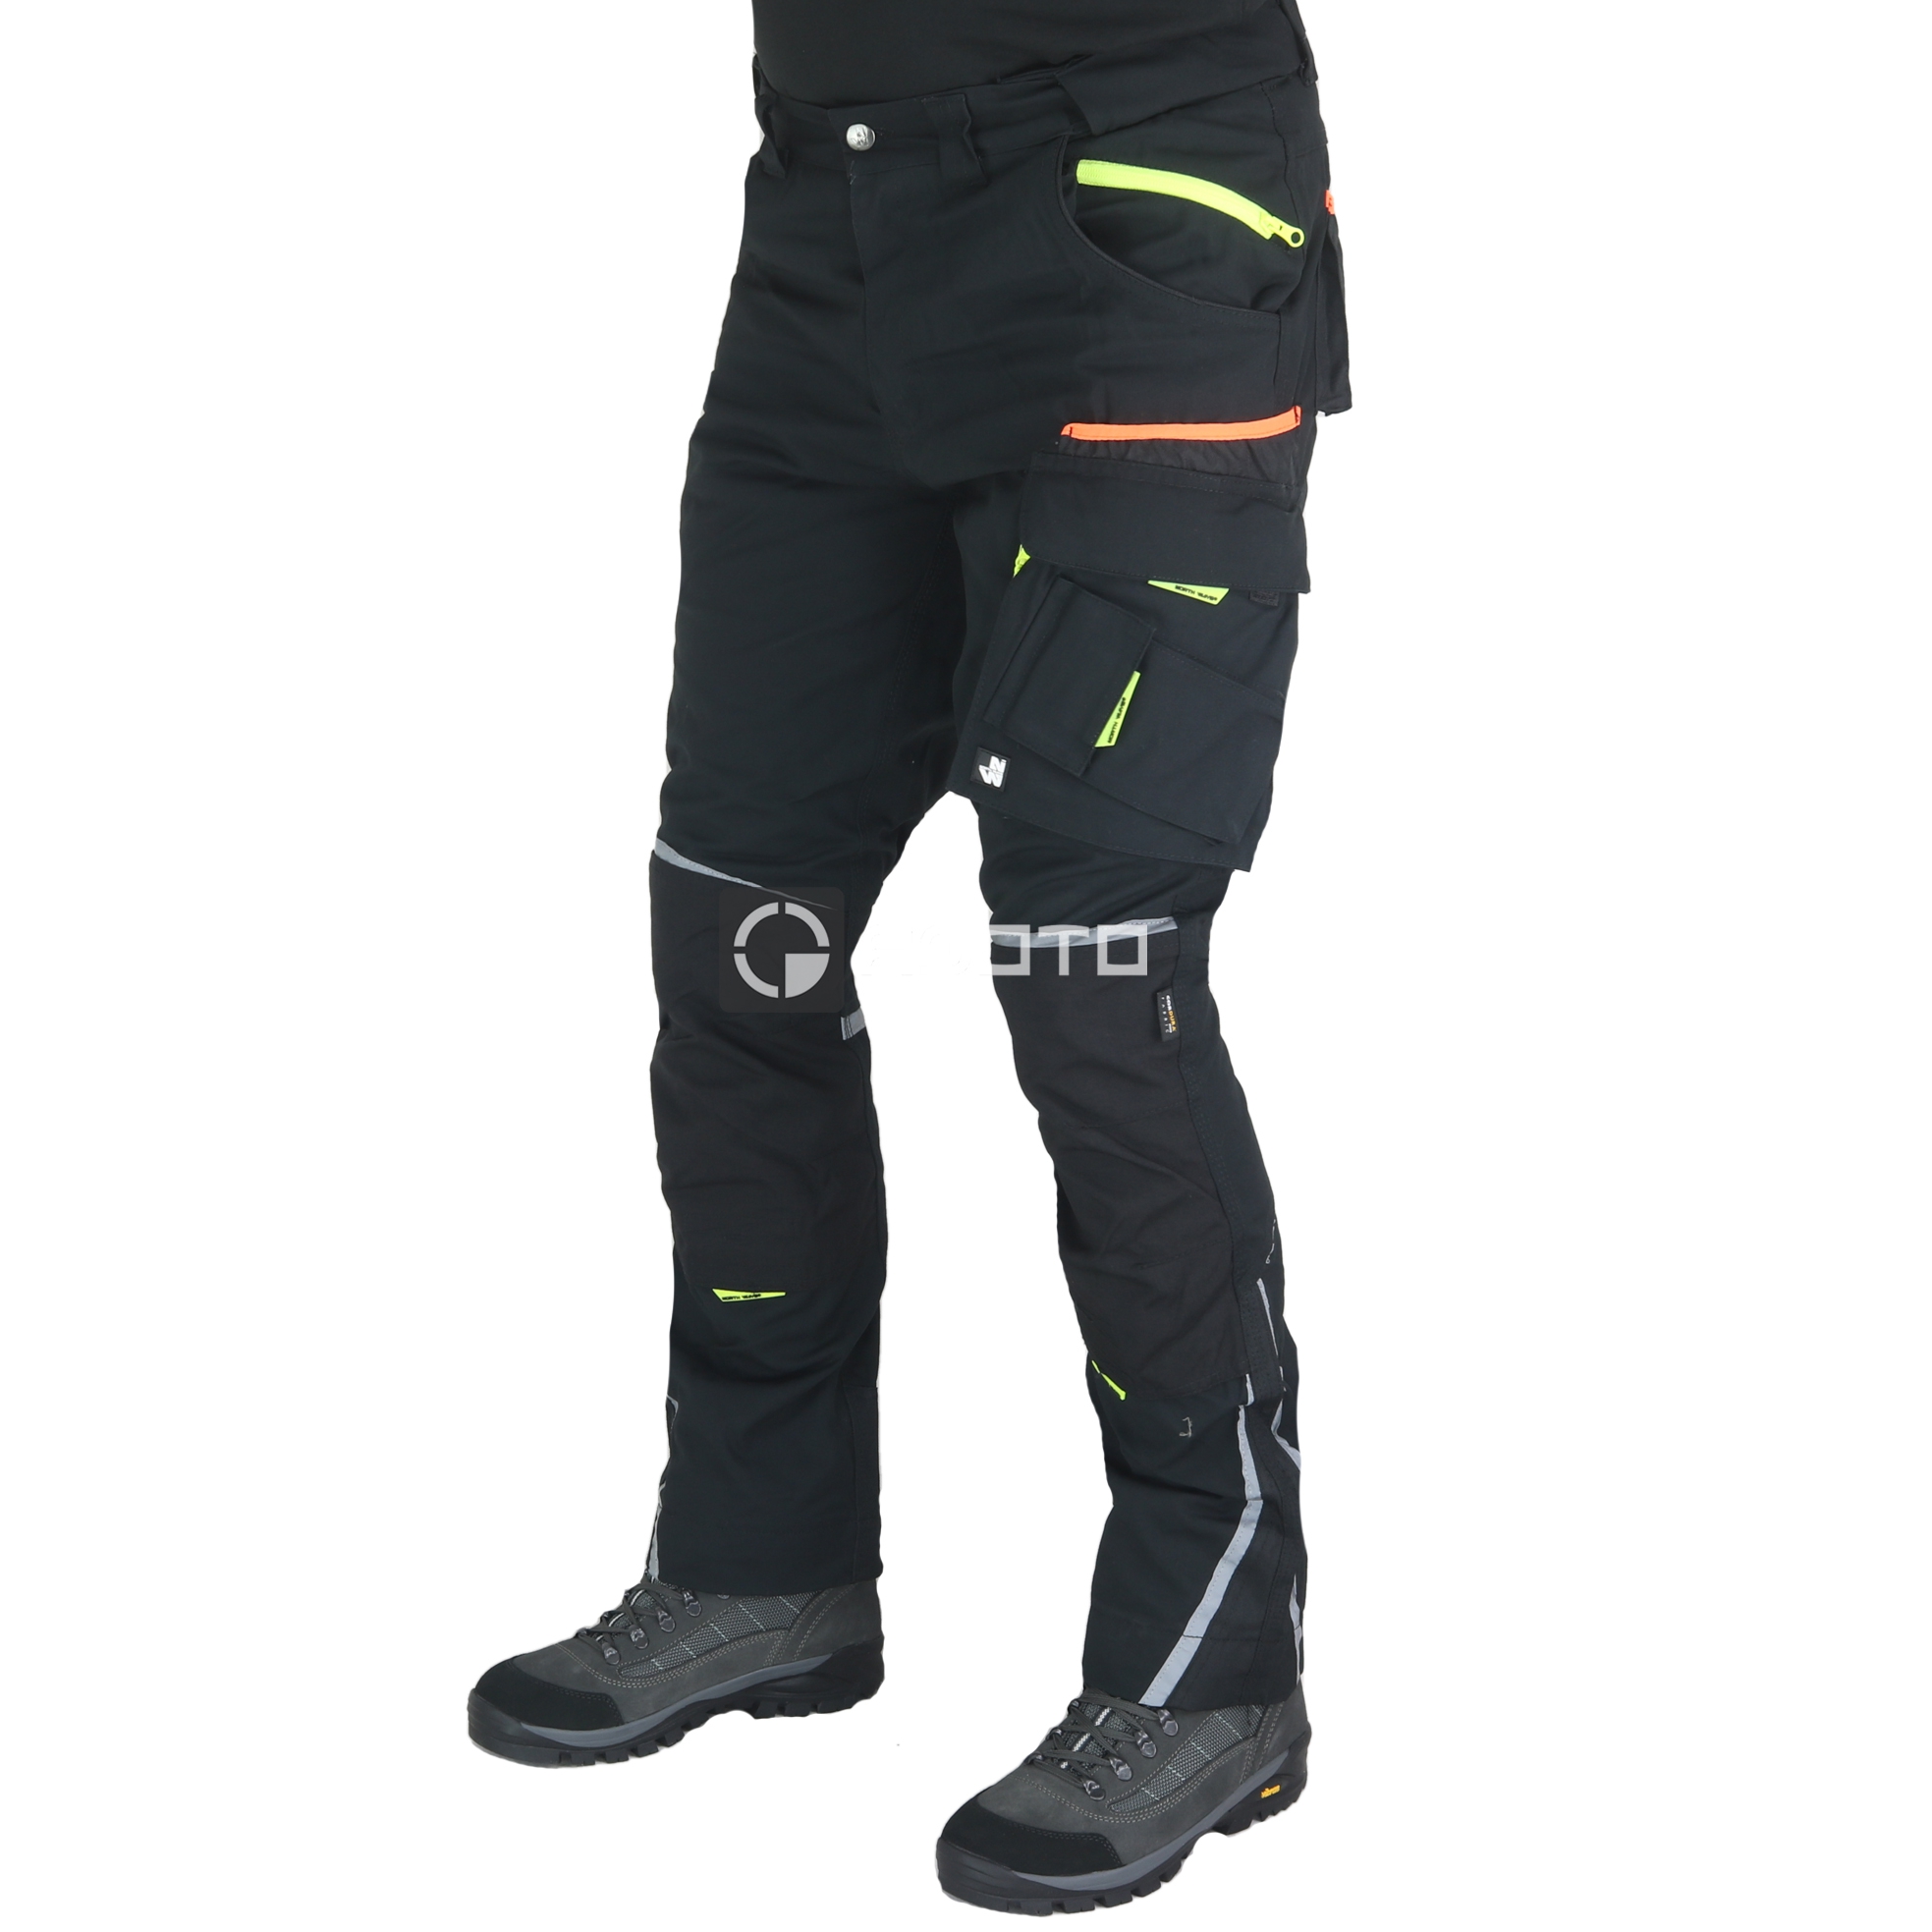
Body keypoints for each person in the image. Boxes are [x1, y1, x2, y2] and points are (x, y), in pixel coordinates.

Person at [469, 0, 1349, 1908]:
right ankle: (761, 1564)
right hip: (829, 219)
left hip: (1138, 199)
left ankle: (1210, 1670)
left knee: (1094, 973)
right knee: (745, 930)